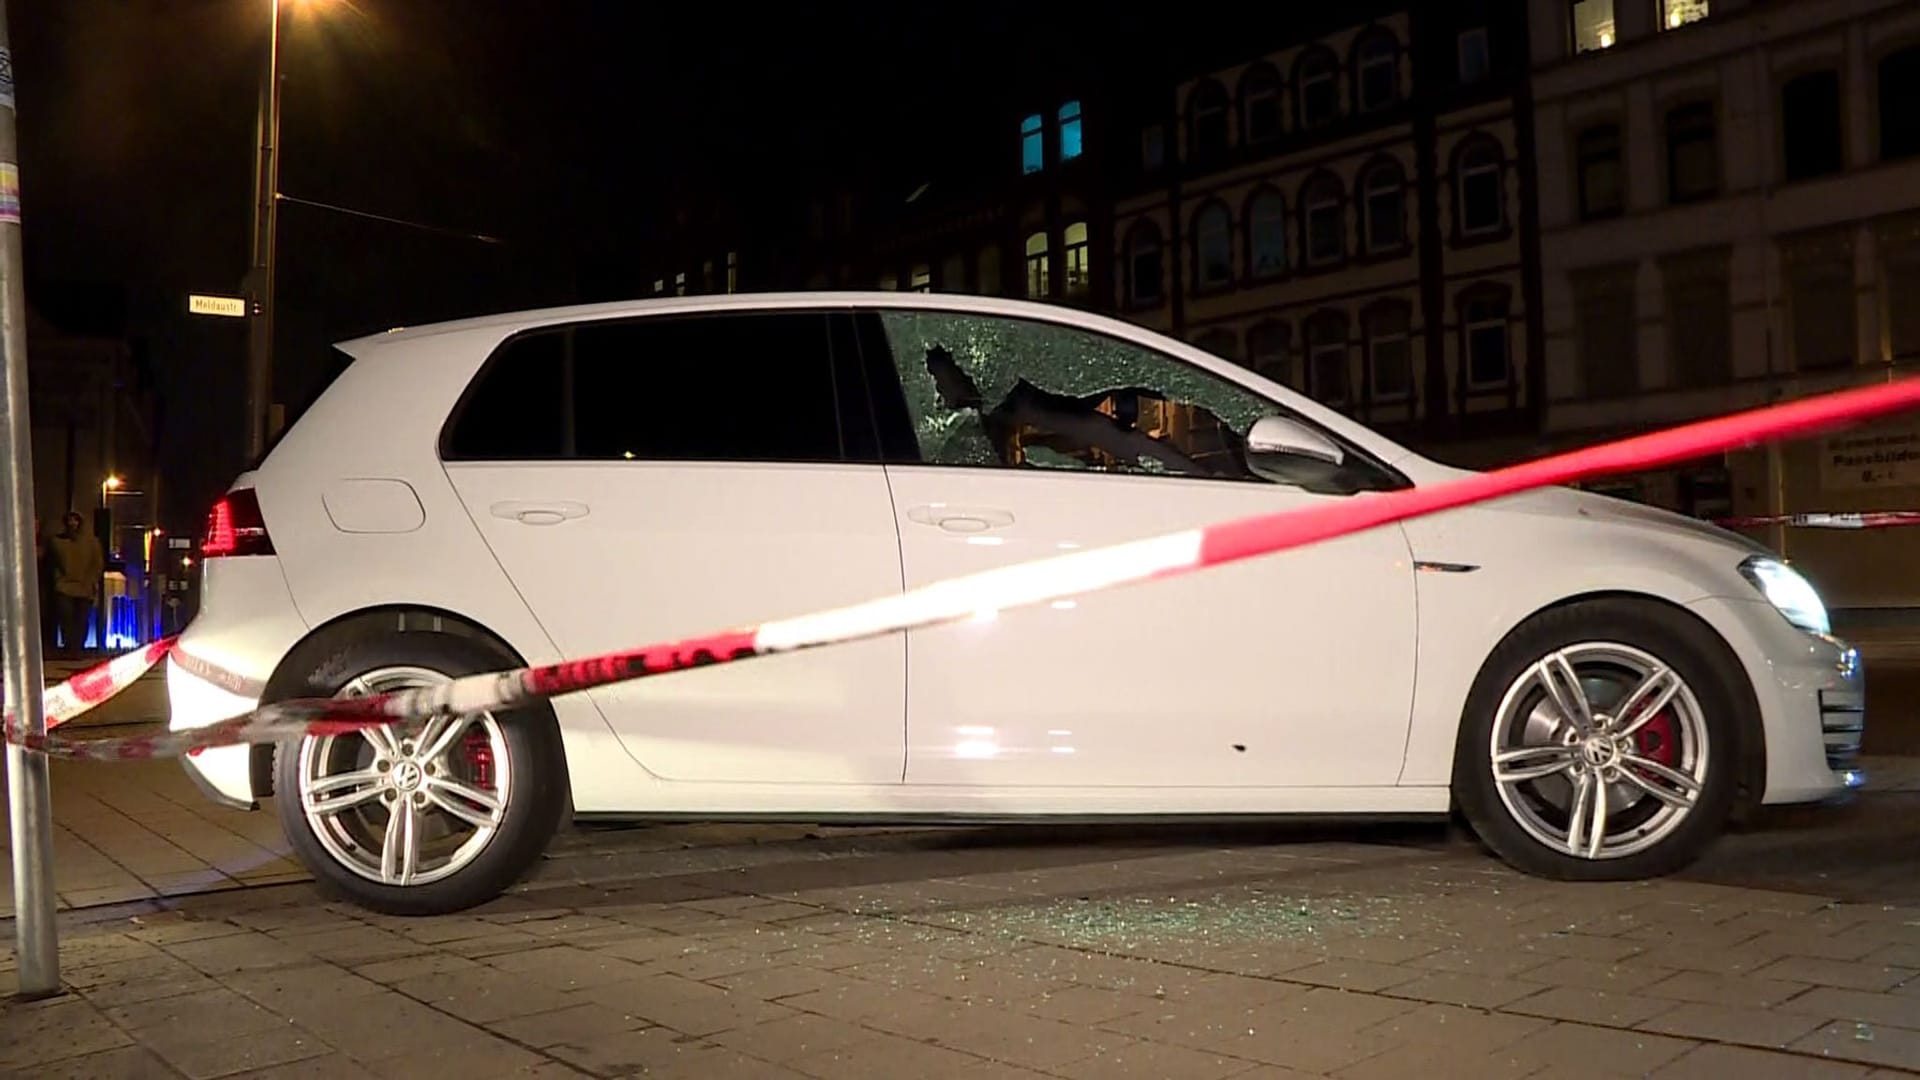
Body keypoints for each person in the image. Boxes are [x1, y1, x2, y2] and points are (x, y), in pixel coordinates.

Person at [46, 510, 103, 657]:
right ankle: (70, 647)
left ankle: (77, 648)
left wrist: (91, 581)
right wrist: (58, 580)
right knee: (66, 618)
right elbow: (52, 564)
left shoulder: (92, 543)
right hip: (64, 587)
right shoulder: (57, 542)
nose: (72, 524)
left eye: (75, 520)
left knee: (82, 619)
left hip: (84, 587)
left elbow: (97, 564)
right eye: (70, 521)